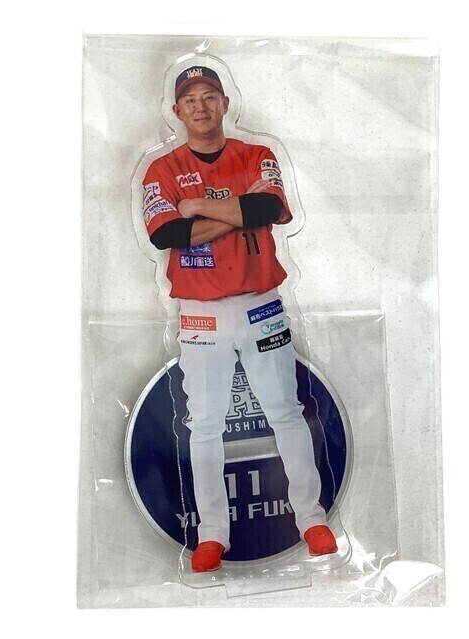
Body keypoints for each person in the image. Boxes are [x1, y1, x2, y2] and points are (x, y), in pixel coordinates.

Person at [142, 65, 337, 572]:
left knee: (285, 410)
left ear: (225, 103)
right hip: (200, 313)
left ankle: (312, 519)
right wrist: (236, 210)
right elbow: (166, 235)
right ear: (177, 111)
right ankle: (212, 535)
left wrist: (196, 206)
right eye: (191, 100)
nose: (201, 106)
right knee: (205, 423)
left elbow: (269, 207)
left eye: (210, 96)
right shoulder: (161, 169)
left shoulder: (257, 155)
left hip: (261, 305)